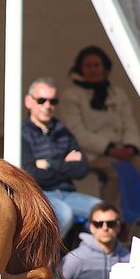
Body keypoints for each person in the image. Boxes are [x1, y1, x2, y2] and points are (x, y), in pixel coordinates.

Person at [55, 45, 140, 205]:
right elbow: (77, 132)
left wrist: (130, 147)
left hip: (121, 151)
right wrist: (109, 148)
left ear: (105, 68)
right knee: (117, 172)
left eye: (97, 65)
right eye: (88, 66)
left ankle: (136, 220)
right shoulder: (71, 95)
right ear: (80, 68)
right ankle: (108, 214)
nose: (93, 70)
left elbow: (129, 123)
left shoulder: (117, 93)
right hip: (92, 153)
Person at [20, 77, 99, 238]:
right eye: (42, 100)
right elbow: (31, 174)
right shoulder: (21, 132)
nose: (48, 106)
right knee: (65, 214)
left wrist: (49, 164)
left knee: (102, 211)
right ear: (29, 101)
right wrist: (66, 166)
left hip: (68, 193)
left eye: (53, 101)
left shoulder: (62, 130)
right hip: (40, 195)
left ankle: (87, 259)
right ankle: (48, 261)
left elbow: (82, 168)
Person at [59, 202, 130, 279]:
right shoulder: (76, 258)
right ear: (91, 227)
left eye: (111, 224)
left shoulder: (129, 258)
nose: (105, 228)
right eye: (99, 224)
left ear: (118, 227)